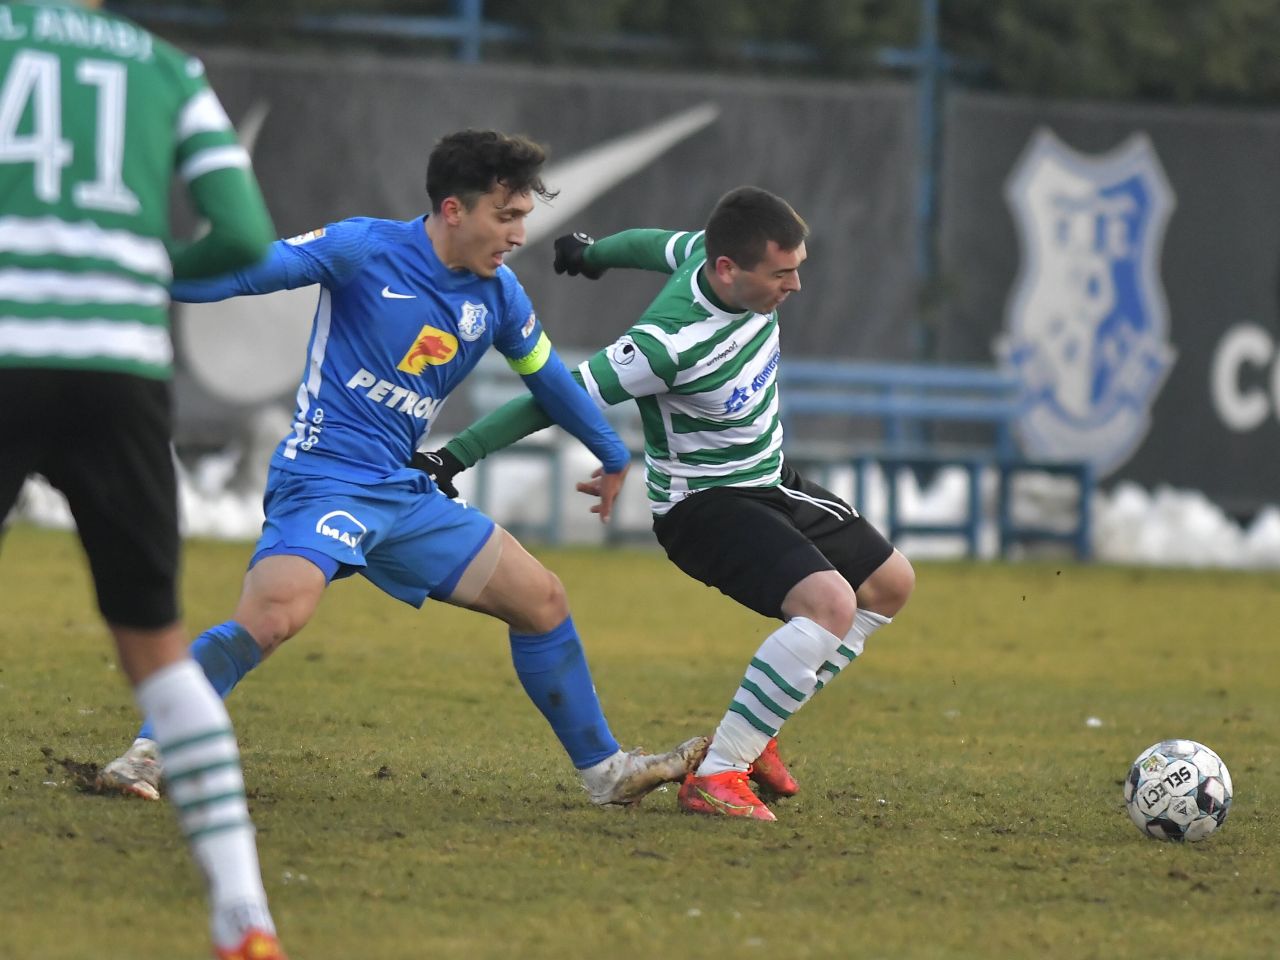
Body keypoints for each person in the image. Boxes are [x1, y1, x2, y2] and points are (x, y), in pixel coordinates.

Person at [96, 129, 705, 813]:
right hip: (324, 477)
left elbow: (551, 382)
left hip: (403, 492)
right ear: (454, 209)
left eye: (525, 218)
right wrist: (131, 272)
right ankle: (147, 752)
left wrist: (614, 451)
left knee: (543, 603)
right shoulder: (363, 249)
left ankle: (606, 773)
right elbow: (244, 273)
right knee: (272, 618)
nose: (518, 234)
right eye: (506, 217)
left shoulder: (499, 297)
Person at [417, 186, 916, 821]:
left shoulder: (706, 259)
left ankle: (752, 735)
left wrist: (594, 254)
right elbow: (557, 395)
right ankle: (718, 774)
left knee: (890, 584)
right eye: (782, 273)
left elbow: (656, 244)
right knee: (829, 607)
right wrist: (455, 454)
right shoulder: (668, 344)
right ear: (730, 269)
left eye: (798, 268)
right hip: (702, 507)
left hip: (767, 480)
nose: (795, 286)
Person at [0, 3, 287, 957]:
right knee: (160, 654)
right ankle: (243, 915)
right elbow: (244, 233)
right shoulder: (166, 66)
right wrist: (140, 269)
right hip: (118, 371)